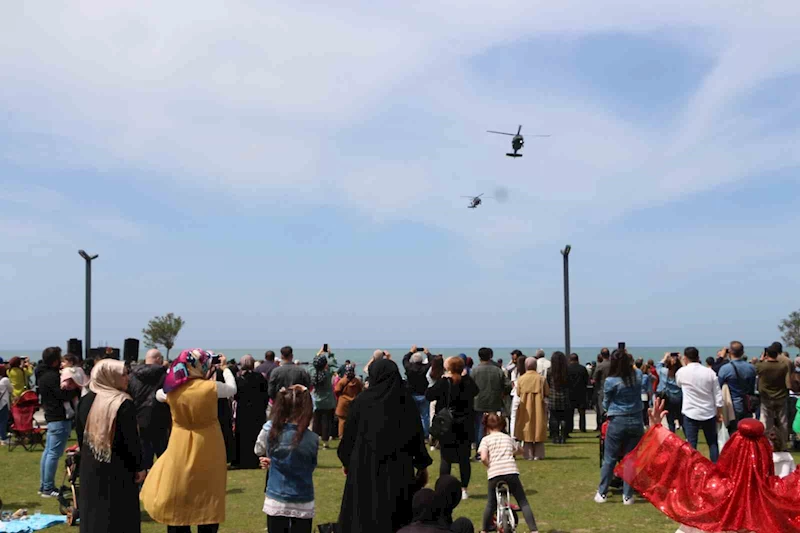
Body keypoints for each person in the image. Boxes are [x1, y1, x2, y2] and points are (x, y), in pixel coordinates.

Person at [617, 397, 800, 533]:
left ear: (730, 450)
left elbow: (682, 459)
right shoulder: (779, 494)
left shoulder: (710, 486)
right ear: (765, 455)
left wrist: (657, 432)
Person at [141, 348, 237, 533]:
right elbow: (232, 389)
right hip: (209, 441)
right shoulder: (210, 388)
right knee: (208, 488)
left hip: (180, 440)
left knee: (179, 485)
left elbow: (158, 394)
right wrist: (224, 369)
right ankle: (207, 524)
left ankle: (178, 525)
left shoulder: (171, 391)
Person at [338, 359, 432, 533]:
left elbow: (348, 438)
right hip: (398, 470)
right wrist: (421, 464)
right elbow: (416, 436)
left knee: (362, 515)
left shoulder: (362, 402)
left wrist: (346, 461)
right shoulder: (405, 401)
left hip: (364, 467)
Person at [75, 359, 144, 533]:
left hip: (91, 464)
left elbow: (80, 434)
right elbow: (131, 440)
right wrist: (139, 467)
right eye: (123, 374)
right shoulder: (122, 402)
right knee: (119, 515)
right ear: (109, 376)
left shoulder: (86, 400)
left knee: (93, 513)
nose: (127, 378)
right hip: (118, 468)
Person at [254, 384, 318, 533]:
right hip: (303, 496)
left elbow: (258, 450)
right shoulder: (312, 438)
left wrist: (275, 461)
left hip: (277, 496)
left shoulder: (271, 431)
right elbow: (310, 465)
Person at [426, 356, 479, 499]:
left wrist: (443, 379)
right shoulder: (468, 382)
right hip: (465, 425)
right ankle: (464, 489)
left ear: (448, 368)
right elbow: (476, 391)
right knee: (464, 459)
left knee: (446, 458)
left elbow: (429, 395)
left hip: (447, 425)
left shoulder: (444, 382)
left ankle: (443, 489)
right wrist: (465, 377)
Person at [594, 349, 643, 505]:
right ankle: (627, 495)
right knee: (630, 459)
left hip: (617, 420)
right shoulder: (638, 376)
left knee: (610, 458)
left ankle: (602, 492)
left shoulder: (611, 381)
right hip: (636, 419)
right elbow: (637, 370)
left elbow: (606, 402)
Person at [478, 413, 539, 533]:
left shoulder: (486, 440)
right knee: (522, 501)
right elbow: (520, 450)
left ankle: (484, 530)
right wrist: (514, 452)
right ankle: (534, 530)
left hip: (494, 473)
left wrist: (488, 465)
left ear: (486, 426)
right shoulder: (507, 438)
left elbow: (484, 457)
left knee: (491, 503)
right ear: (502, 425)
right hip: (511, 471)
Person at [36, 347, 74, 498]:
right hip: (58, 417)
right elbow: (62, 395)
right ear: (56, 361)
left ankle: (44, 485)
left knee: (48, 453)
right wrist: (74, 390)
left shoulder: (42, 375)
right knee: (53, 454)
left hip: (51, 416)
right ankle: (48, 487)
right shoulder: (51, 376)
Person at [676, 347, 723, 462]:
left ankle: (692, 468)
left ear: (685, 358)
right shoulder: (709, 372)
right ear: (698, 357)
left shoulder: (682, 372)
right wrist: (719, 412)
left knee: (691, 444)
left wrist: (683, 364)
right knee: (712, 442)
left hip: (690, 411)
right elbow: (718, 395)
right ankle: (715, 466)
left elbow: (679, 384)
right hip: (708, 411)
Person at [128, 348, 172, 471]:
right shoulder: (165, 375)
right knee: (164, 457)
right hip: (161, 418)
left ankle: (145, 484)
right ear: (158, 359)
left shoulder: (132, 376)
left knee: (144, 456)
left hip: (140, 419)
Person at [471, 347, 510, 456]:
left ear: (479, 357)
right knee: (495, 426)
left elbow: (469, 386)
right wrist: (503, 393)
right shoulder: (498, 370)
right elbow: (508, 385)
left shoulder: (474, 371)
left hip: (478, 402)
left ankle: (480, 452)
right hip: (494, 401)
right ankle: (496, 450)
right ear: (491, 356)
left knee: (479, 427)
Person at [232, 354, 269, 469]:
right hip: (257, 412)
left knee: (242, 436)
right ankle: (255, 459)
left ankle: (241, 460)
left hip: (243, 411)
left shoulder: (238, 379)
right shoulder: (260, 378)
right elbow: (265, 395)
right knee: (256, 436)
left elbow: (236, 396)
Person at [717, 341, 756, 434]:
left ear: (730, 352)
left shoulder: (725, 369)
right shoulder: (751, 367)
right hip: (748, 403)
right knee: (747, 430)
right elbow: (752, 385)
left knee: (734, 430)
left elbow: (719, 385)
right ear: (742, 352)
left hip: (733, 404)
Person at [514, 358, 549, 460]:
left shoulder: (521, 379)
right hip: (539, 407)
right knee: (538, 427)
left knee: (526, 429)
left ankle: (528, 454)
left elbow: (518, 393)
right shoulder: (541, 379)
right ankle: (538, 454)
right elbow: (547, 392)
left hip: (525, 408)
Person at [209, 353, 236, 464]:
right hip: (221, 404)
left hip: (217, 405)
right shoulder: (221, 372)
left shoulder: (205, 375)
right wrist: (224, 367)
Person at [403, 346, 433, 441]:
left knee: (412, 415)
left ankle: (413, 433)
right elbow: (432, 361)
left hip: (412, 394)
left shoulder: (409, 367)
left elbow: (405, 359)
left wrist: (410, 352)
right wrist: (427, 353)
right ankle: (425, 435)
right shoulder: (425, 368)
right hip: (423, 393)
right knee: (425, 416)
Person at [310, 354, 335, 449]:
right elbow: (335, 365)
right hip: (328, 401)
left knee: (316, 423)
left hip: (316, 401)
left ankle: (314, 442)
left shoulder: (312, 372)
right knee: (326, 423)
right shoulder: (328, 373)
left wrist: (318, 354)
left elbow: (311, 365)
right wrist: (331, 355)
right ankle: (326, 443)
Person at [547, 351, 570, 444]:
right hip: (564, 396)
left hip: (553, 397)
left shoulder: (550, 371)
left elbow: (547, 383)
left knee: (553, 418)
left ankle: (555, 437)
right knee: (564, 418)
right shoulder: (567, 371)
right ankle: (563, 437)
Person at [656, 353, 683, 432]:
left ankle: (672, 435)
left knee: (670, 419)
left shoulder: (664, 372)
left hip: (668, 397)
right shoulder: (681, 372)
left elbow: (658, 366)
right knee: (682, 419)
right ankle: (687, 437)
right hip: (679, 397)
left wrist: (665, 357)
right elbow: (687, 369)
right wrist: (680, 360)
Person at [334, 364, 363, 437]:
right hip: (354, 403)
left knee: (342, 421)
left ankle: (341, 436)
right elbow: (361, 391)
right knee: (353, 421)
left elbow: (336, 390)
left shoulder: (342, 381)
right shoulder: (357, 381)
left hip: (343, 403)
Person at [60, 354, 89, 419]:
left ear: (70, 362)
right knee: (75, 400)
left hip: (67, 390)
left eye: (64, 362)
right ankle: (78, 410)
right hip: (76, 390)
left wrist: (62, 385)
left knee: (65, 400)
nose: (62, 363)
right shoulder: (79, 369)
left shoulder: (67, 370)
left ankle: (69, 410)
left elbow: (66, 380)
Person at [566, 353, 589, 435]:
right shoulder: (582, 368)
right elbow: (587, 380)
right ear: (578, 359)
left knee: (570, 412)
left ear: (570, 360)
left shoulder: (567, 369)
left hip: (570, 392)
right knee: (582, 412)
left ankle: (569, 428)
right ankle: (582, 428)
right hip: (581, 392)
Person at [509, 353, 527, 439]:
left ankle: (513, 435)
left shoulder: (515, 371)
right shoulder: (527, 372)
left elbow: (513, 383)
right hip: (526, 394)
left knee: (514, 416)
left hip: (516, 394)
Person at [592, 348, 611, 428]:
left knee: (602, 411)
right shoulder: (614, 365)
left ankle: (603, 428)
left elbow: (594, 379)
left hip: (602, 390)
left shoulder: (600, 366)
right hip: (613, 390)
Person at [0, 365, 10, 445]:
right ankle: (3, 438)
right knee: (3, 421)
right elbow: (11, 389)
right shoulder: (5, 380)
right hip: (3, 402)